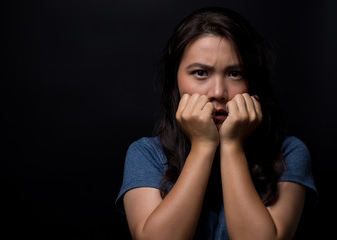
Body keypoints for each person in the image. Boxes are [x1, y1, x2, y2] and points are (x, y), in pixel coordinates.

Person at [115, 7, 317, 240]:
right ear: (176, 79)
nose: (219, 92)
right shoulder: (146, 154)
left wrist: (232, 146)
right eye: (201, 73)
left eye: (234, 74)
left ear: (252, 81)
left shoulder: (288, 153)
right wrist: (202, 146)